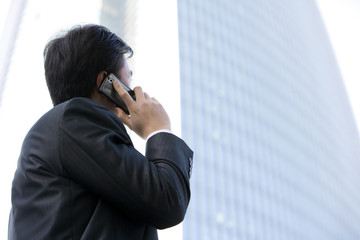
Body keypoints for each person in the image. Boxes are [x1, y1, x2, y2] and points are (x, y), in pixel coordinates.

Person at [8, 24, 193, 240]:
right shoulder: (73, 118)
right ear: (107, 83)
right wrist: (159, 130)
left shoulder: (68, 132)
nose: (132, 88)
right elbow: (167, 201)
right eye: (128, 78)